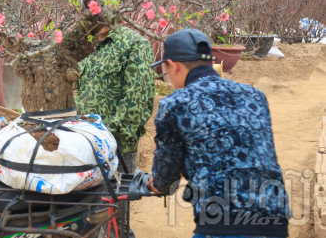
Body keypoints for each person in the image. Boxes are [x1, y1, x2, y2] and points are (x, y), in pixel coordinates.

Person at [148, 29, 290, 238]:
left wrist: (157, 183)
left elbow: (166, 178)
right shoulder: (254, 96)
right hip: (273, 218)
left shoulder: (175, 104)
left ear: (174, 66)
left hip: (224, 222)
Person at [75, 25, 155, 173]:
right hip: (81, 145)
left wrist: (107, 138)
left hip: (117, 148)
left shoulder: (134, 44)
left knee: (112, 194)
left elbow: (137, 99)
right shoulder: (84, 45)